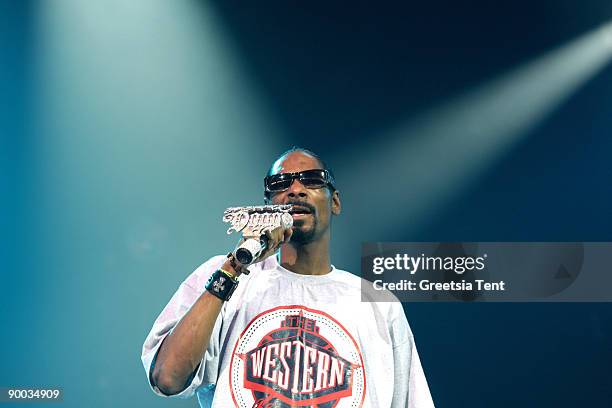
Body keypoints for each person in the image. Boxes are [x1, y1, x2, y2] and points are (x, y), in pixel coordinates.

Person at [141, 147, 435, 407]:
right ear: (268, 204)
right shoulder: (226, 275)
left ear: (335, 202)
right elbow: (168, 378)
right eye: (280, 183)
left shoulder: (378, 303)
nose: (295, 189)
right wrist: (234, 267)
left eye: (312, 179)